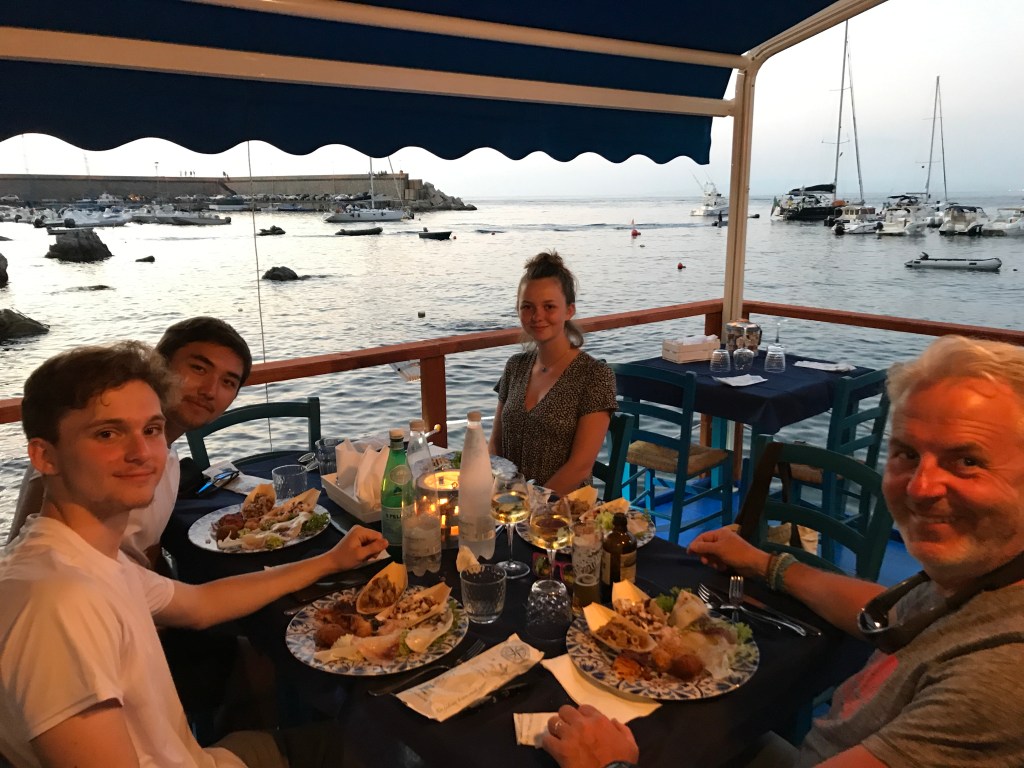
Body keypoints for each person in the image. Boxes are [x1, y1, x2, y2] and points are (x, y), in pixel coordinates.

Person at [543, 334, 1024, 768]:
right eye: (907, 454)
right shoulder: (975, 584)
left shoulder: (998, 678)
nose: (921, 487)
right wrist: (765, 563)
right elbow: (889, 612)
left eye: (968, 461)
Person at [0, 341, 387, 767]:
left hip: (197, 757)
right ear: (44, 456)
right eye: (107, 433)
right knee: (389, 748)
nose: (141, 453)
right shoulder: (56, 601)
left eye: (151, 430)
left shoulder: (89, 558)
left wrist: (330, 561)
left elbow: (202, 604)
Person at [9, 316, 252, 568]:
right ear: (159, 366)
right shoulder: (76, 458)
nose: (209, 391)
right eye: (199, 369)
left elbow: (148, 553)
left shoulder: (165, 459)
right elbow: (29, 559)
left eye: (228, 382)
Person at [489, 251, 617, 495]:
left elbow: (580, 467)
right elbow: (495, 446)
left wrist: (530, 504)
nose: (537, 316)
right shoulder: (515, 367)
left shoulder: (594, 376)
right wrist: (494, 494)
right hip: (508, 505)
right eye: (527, 307)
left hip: (564, 509)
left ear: (569, 310)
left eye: (549, 306)